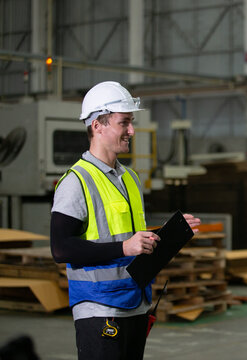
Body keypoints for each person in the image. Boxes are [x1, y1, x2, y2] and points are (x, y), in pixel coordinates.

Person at [50, 81, 200, 360]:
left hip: (136, 303)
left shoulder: (129, 178)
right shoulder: (76, 182)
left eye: (131, 122)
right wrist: (124, 248)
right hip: (99, 308)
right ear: (97, 125)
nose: (131, 131)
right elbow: (61, 249)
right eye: (124, 123)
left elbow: (128, 238)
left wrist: (171, 235)